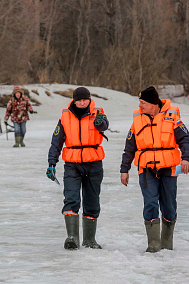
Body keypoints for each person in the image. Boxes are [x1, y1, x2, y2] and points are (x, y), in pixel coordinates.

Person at [120, 86, 189, 253]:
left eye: (143, 103)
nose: (140, 106)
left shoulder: (172, 117)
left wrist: (186, 158)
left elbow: (185, 140)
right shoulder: (137, 119)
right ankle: (153, 243)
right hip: (146, 169)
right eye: (139, 102)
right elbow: (129, 147)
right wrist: (124, 169)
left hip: (169, 167)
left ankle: (166, 242)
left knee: (169, 205)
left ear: (153, 103)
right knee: (150, 202)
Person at [47, 87, 109, 250]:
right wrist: (51, 163)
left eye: (85, 100)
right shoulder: (65, 116)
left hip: (94, 164)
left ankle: (89, 240)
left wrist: (99, 122)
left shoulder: (97, 112)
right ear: (74, 100)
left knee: (92, 202)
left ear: (89, 99)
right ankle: (72, 237)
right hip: (72, 165)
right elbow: (56, 141)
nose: (82, 103)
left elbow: (104, 126)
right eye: (79, 100)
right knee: (71, 198)